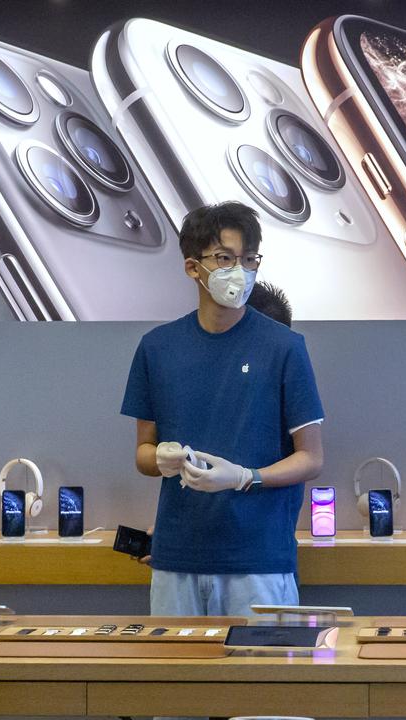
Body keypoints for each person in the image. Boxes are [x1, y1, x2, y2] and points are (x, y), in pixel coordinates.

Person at [120, 201, 325, 616]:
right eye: (225, 258)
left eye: (249, 260)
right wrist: (161, 458)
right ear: (194, 268)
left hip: (257, 560)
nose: (240, 271)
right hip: (176, 557)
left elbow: (311, 457)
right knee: (177, 678)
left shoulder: (284, 347)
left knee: (262, 680)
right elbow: (143, 453)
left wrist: (246, 477)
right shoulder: (157, 348)